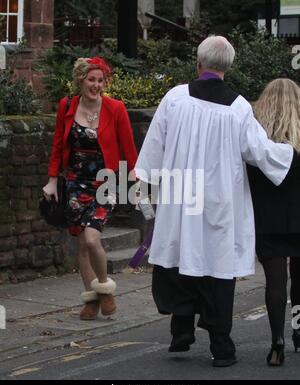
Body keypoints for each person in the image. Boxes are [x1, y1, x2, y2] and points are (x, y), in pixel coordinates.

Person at [135, 36, 296, 367]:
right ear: (228, 67)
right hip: (220, 201)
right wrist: (288, 153)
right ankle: (222, 346)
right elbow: (258, 152)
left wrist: (146, 181)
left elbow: (155, 145)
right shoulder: (237, 107)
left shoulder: (175, 98)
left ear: (198, 63)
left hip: (181, 197)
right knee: (216, 267)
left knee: (180, 256)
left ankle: (181, 329)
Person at [43, 57, 138, 320]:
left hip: (105, 182)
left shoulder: (115, 108)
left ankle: (105, 288)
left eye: (100, 80)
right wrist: (52, 180)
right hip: (75, 183)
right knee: (81, 245)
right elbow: (58, 146)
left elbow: (128, 146)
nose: (96, 85)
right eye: (91, 80)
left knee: (92, 238)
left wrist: (135, 175)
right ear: (81, 80)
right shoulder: (68, 106)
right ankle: (91, 298)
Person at [247, 78, 300, 366]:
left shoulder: (259, 141)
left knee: (275, 283)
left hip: (268, 220)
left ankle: (277, 340)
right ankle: (298, 332)